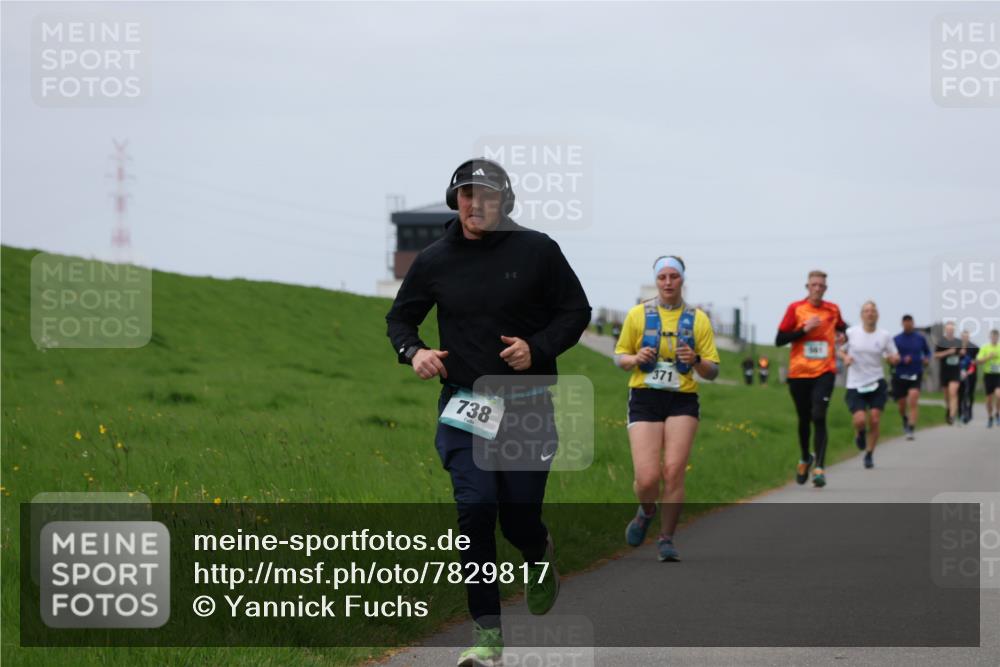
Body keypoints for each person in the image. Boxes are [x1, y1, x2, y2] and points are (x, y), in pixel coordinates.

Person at [385, 157, 591, 667]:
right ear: (455, 201)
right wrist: (416, 352)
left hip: (527, 408)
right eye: (466, 195)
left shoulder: (538, 250)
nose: (476, 205)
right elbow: (400, 319)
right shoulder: (434, 259)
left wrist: (538, 348)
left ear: (506, 202)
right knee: (476, 509)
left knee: (519, 516)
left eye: (488, 196)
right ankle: (487, 634)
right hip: (465, 405)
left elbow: (576, 310)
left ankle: (538, 552)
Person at [613, 255, 720, 562]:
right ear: (656, 281)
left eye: (674, 276)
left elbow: (713, 371)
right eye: (663, 277)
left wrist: (697, 359)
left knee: (673, 471)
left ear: (683, 280)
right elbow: (620, 357)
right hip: (645, 396)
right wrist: (636, 359)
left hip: (682, 398)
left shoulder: (698, 319)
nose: (668, 282)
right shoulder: (638, 315)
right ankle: (647, 511)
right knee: (647, 478)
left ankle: (666, 539)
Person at [775, 270, 847, 488]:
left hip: (825, 371)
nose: (817, 288)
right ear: (807, 287)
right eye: (813, 285)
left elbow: (843, 329)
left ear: (825, 289)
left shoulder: (832, 309)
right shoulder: (795, 309)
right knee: (804, 418)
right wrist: (803, 330)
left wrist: (844, 336)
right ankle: (805, 456)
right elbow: (779, 339)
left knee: (819, 415)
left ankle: (819, 468)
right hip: (799, 373)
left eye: (821, 285)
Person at [839, 301, 900, 469]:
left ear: (877, 315)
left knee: (874, 418)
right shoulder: (851, 333)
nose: (870, 313)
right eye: (866, 311)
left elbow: (894, 355)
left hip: (876, 382)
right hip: (855, 383)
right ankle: (859, 433)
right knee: (859, 419)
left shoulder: (884, 335)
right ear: (861, 315)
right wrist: (845, 358)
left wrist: (893, 359)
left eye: (873, 311)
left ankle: (869, 454)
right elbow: (840, 349)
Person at [892, 315, 931, 440]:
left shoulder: (920, 338)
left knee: (913, 399)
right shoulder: (896, 339)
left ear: (913, 323)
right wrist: (902, 359)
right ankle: (904, 418)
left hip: (916, 373)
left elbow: (928, 352)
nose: (908, 324)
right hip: (900, 374)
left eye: (910, 322)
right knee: (902, 405)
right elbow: (891, 356)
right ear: (902, 324)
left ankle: (911, 428)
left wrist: (926, 359)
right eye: (906, 322)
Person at [934, 322, 962, 425]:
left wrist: (962, 353)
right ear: (946, 331)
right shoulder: (941, 342)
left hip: (955, 371)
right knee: (946, 395)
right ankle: (949, 408)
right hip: (945, 372)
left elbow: (963, 354)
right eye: (948, 330)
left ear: (954, 331)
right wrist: (948, 352)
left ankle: (952, 416)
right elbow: (936, 355)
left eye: (952, 330)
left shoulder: (958, 342)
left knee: (953, 392)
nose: (950, 331)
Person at [977, 329, 1000, 428]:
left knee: (999, 395)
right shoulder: (985, 348)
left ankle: (997, 414)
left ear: (998, 338)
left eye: (996, 337)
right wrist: (988, 357)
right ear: (990, 337)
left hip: (998, 375)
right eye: (993, 337)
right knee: (989, 400)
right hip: (988, 375)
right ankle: (990, 417)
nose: (994, 338)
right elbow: (978, 361)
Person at [957, 330, 980, 425]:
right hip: (959, 374)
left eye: (966, 336)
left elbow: (978, 360)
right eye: (963, 336)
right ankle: (960, 413)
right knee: (960, 394)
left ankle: (969, 412)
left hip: (971, 374)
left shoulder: (974, 348)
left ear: (969, 337)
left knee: (970, 394)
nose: (965, 338)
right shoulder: (956, 347)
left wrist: (974, 363)